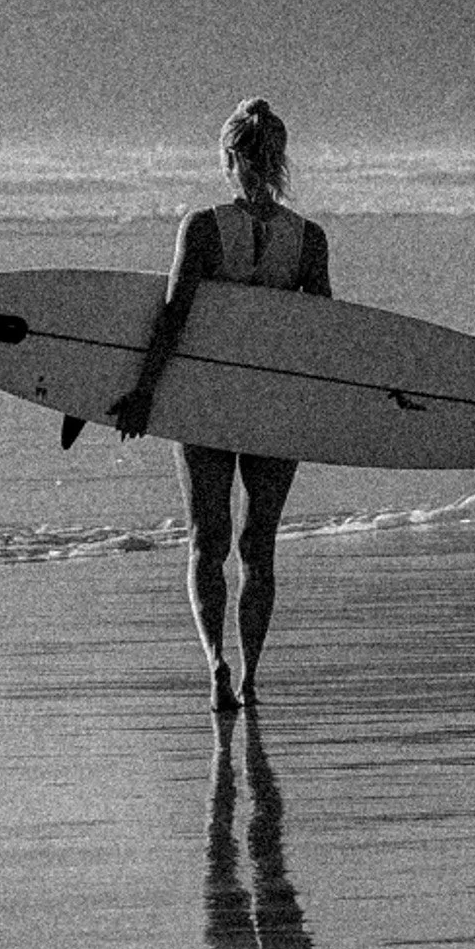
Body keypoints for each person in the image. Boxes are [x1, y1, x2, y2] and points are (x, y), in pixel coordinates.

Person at [109, 98, 331, 715]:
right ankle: (253, 678)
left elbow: (174, 316)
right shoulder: (308, 240)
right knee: (259, 548)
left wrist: (144, 394)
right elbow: (324, 339)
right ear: (281, 159)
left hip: (204, 403)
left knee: (208, 543)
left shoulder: (202, 228)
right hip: (275, 409)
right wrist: (326, 417)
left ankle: (215, 667)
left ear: (229, 158)